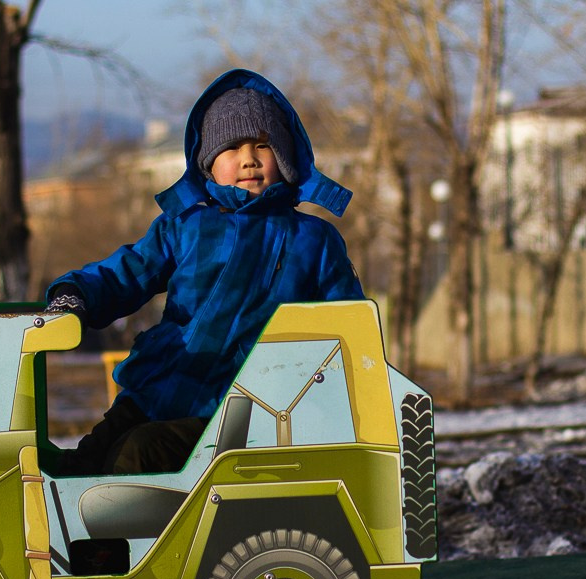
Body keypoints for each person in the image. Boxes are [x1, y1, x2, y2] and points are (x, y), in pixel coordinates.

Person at [45, 68, 363, 475]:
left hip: (243, 410)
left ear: (285, 156)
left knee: (136, 455)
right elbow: (127, 271)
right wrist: (78, 293)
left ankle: (120, 520)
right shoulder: (185, 227)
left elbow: (347, 322)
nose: (248, 158)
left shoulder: (313, 239)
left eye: (262, 145)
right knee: (86, 462)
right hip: (160, 386)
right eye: (231, 148)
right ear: (208, 164)